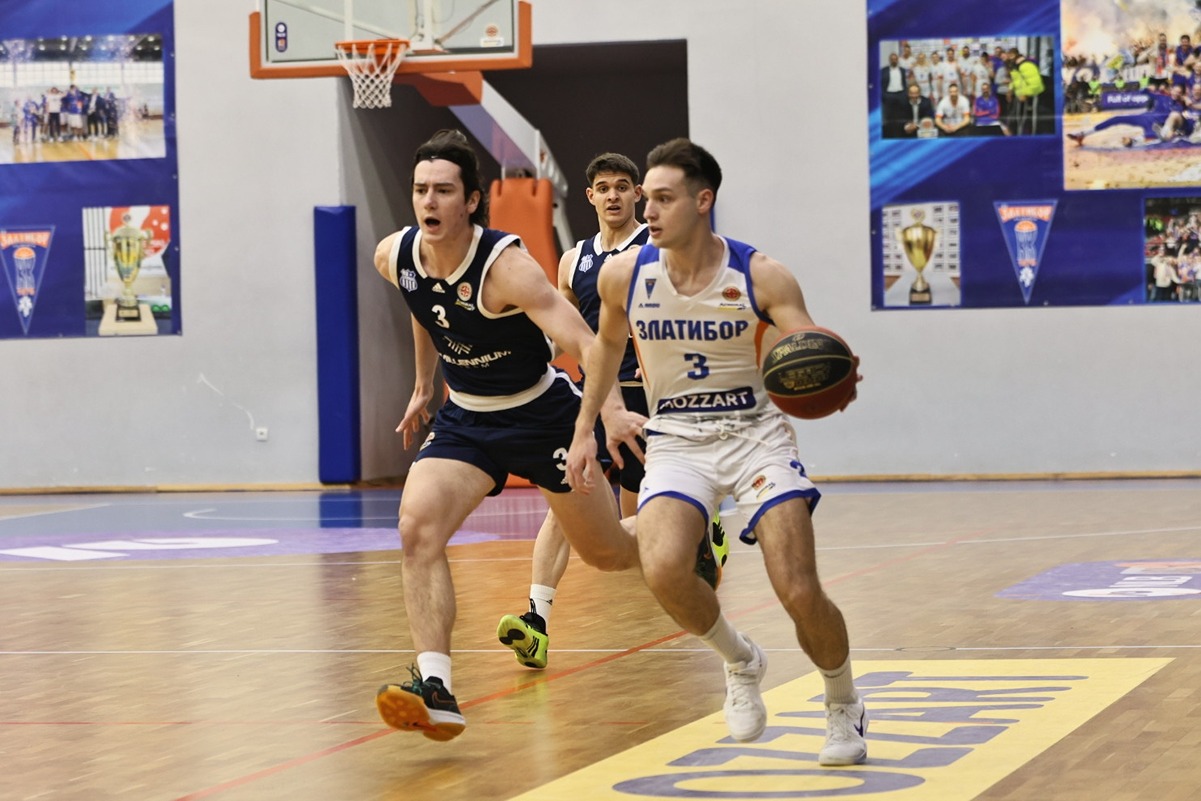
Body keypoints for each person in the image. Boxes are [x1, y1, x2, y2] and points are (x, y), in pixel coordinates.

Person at [564, 138, 868, 766]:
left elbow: (808, 343)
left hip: (754, 436)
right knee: (663, 568)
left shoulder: (761, 275)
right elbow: (604, 349)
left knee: (797, 588)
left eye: (663, 199)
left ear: (703, 201)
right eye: (647, 199)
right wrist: (585, 428)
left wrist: (833, 375)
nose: (649, 211)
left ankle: (843, 700)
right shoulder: (625, 275)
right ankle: (740, 658)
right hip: (676, 437)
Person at [371, 129, 655, 741]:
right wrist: (423, 384)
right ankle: (436, 688)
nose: (429, 201)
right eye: (420, 189)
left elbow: (586, 340)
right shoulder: (395, 254)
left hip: (540, 413)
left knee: (609, 554)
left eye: (443, 190)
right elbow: (424, 307)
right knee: (416, 529)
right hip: (468, 418)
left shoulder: (507, 267)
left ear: (471, 200)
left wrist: (607, 415)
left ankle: (681, 528)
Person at [496, 152, 727, 670]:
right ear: (591, 197)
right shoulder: (572, 260)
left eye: (623, 186)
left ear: (637, 195)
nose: (614, 195)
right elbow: (562, 324)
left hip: (654, 398)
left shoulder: (656, 248)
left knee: (642, 521)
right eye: (604, 187)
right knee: (566, 501)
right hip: (596, 400)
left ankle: (702, 522)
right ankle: (536, 622)